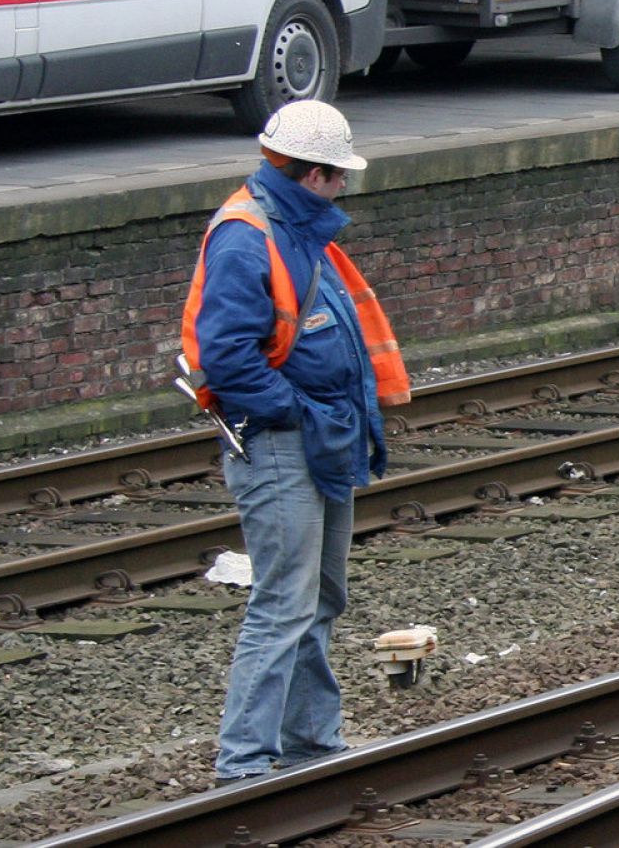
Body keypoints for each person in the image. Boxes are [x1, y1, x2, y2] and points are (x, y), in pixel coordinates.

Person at [181, 100, 411, 784]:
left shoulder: (295, 228)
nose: (344, 186)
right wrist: (298, 413)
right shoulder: (249, 236)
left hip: (319, 438)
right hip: (285, 443)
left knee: (320, 597)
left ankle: (311, 742)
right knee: (284, 605)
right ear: (313, 176)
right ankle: (244, 764)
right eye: (338, 175)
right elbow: (227, 358)